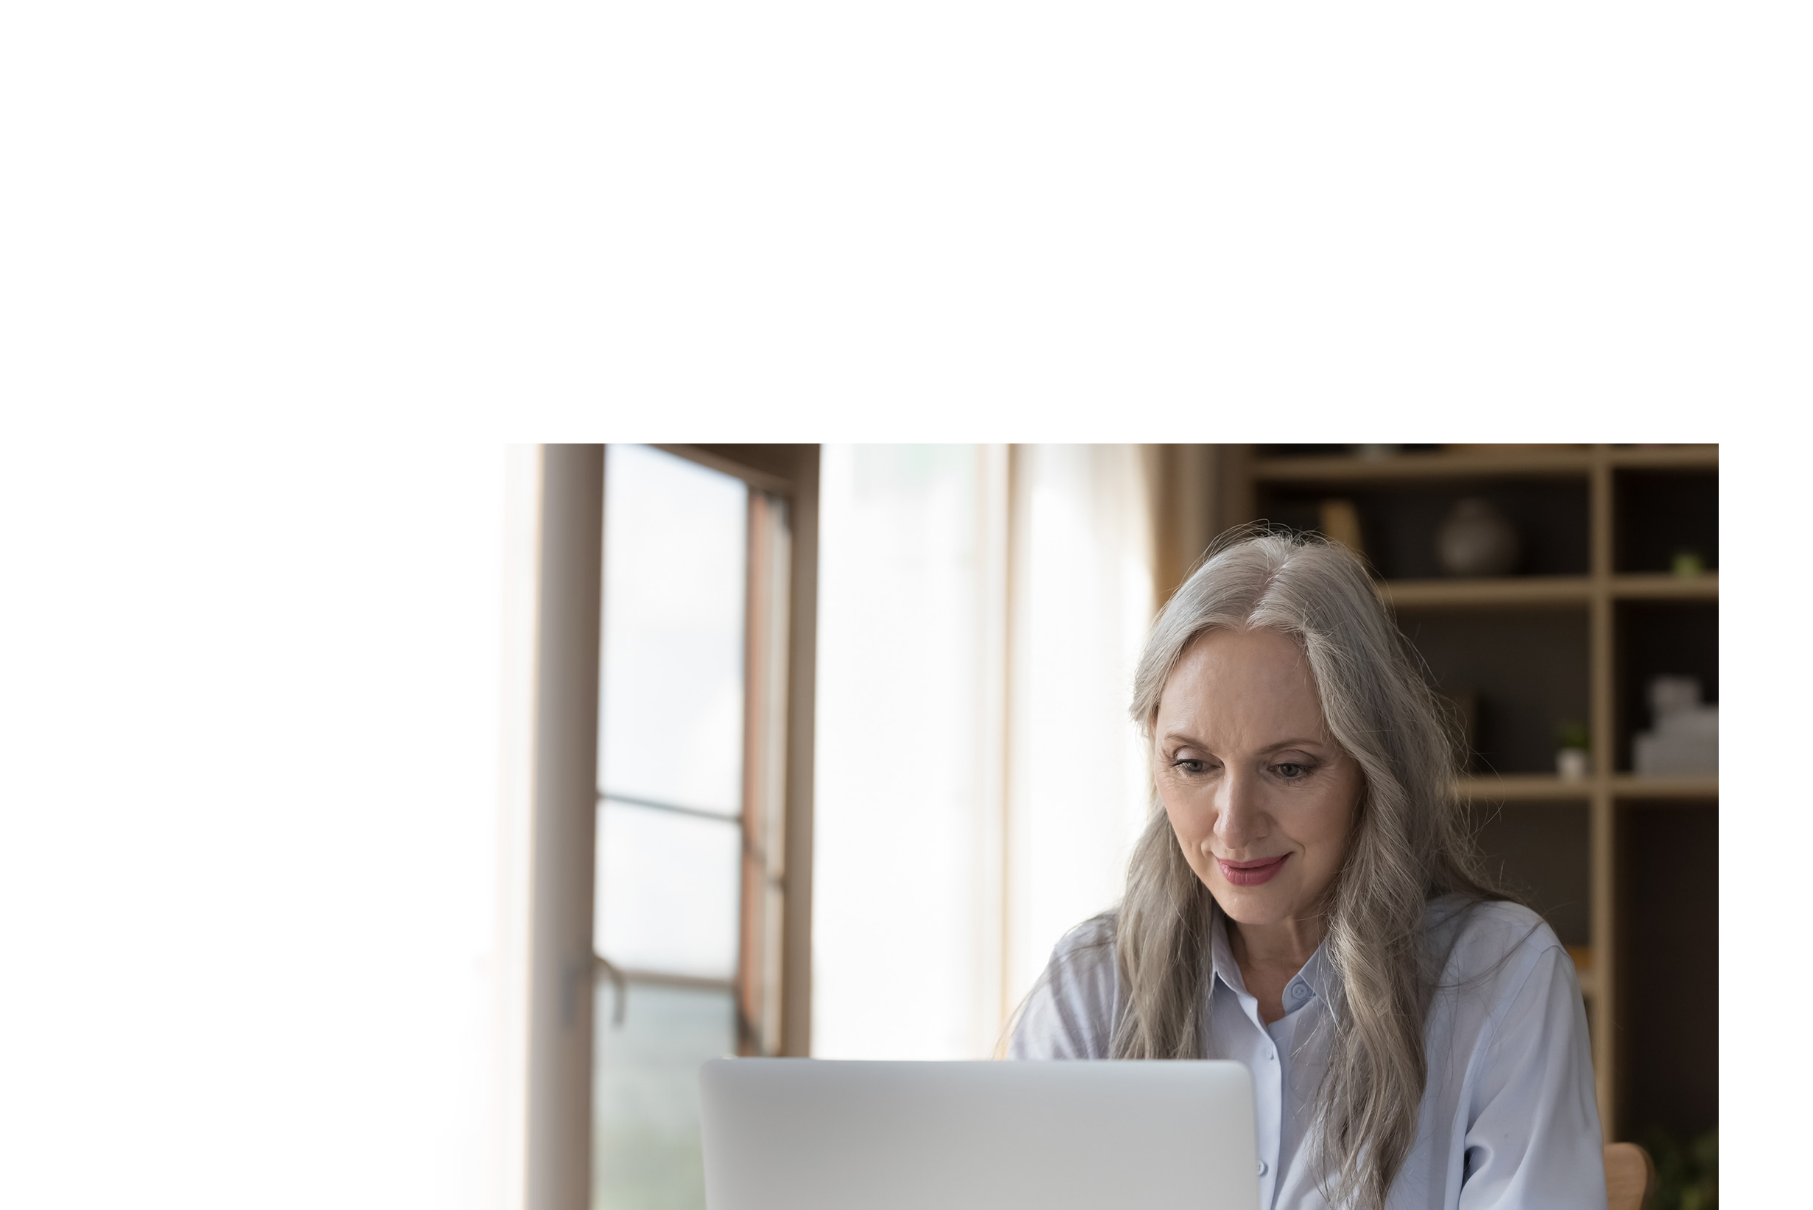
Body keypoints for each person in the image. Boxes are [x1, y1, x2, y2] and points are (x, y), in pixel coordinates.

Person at [1009, 531, 1604, 1210]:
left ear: (1372, 767)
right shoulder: (1089, 984)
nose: (1232, 825)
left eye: (1289, 768)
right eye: (1193, 764)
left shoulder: (1502, 977)